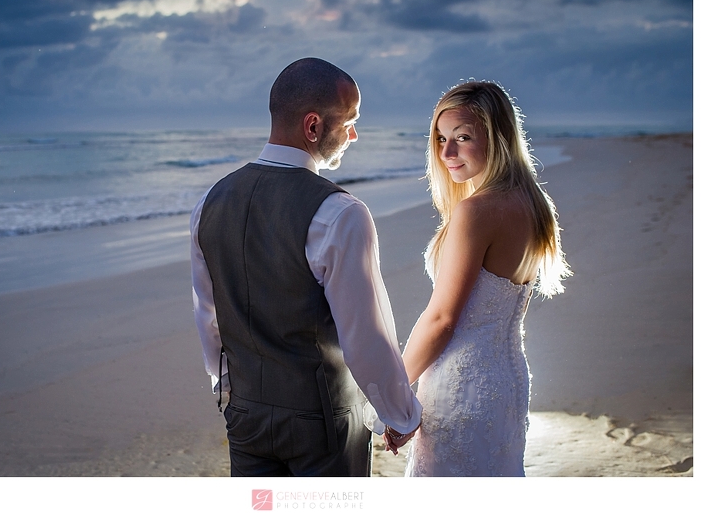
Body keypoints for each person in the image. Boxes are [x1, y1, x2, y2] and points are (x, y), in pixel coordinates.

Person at [190, 58, 421, 477]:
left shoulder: (210, 202)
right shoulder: (340, 212)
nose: (354, 134)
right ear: (313, 126)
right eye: (349, 121)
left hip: (246, 416)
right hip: (322, 425)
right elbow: (365, 337)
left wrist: (229, 392)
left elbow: (209, 318)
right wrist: (401, 414)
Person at [394, 81, 570, 476]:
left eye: (463, 137)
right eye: (440, 138)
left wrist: (394, 392)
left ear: (499, 137)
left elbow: (442, 320)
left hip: (461, 385)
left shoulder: (477, 212)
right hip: (506, 380)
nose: (446, 152)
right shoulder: (533, 204)